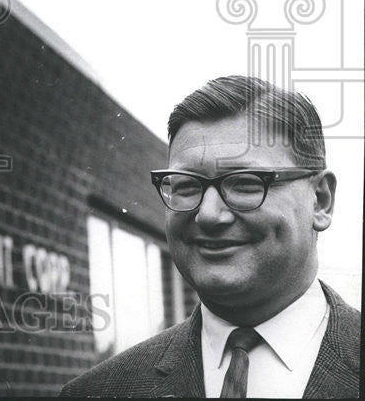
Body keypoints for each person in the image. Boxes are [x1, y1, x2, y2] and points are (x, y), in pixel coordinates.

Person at [61, 75, 360, 398]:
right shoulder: (99, 392)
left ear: (321, 200)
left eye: (245, 183)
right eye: (187, 185)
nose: (209, 215)